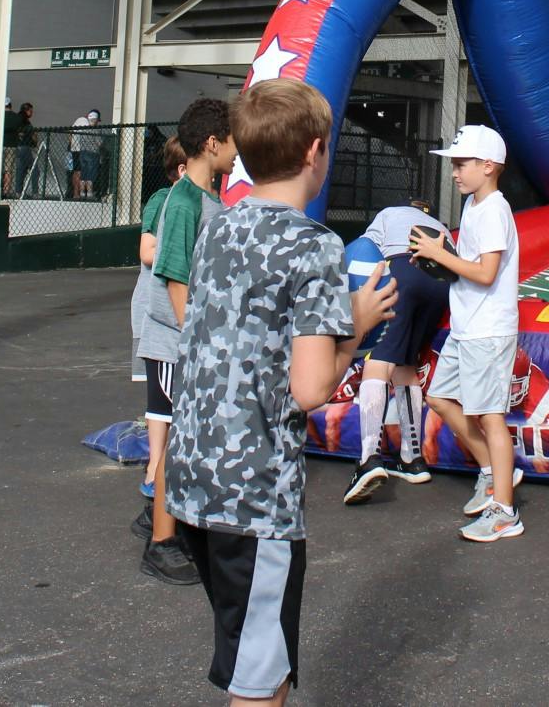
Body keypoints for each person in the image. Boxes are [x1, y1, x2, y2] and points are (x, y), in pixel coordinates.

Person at [167, 79, 396, 706]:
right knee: (259, 680)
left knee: (252, 655)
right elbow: (312, 385)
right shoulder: (313, 244)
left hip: (194, 475)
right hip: (254, 491)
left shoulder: (218, 228)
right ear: (315, 151)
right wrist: (355, 326)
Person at [408, 123, 525, 543]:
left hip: (487, 330)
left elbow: (487, 272)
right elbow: (473, 267)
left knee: (490, 417)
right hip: (468, 325)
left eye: (462, 164)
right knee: (438, 396)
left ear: (489, 166)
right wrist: (441, 257)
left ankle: (505, 511)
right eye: (454, 164)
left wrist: (441, 255)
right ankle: (495, 474)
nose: (455, 172)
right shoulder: (477, 205)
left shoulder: (494, 209)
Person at [139, 96, 236, 584]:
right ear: (212, 143)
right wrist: (197, 342)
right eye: (233, 141)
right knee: (178, 441)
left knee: (189, 439)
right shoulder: (182, 202)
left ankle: (165, 518)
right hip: (182, 344)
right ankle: (161, 542)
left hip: (196, 342)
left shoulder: (210, 200)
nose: (238, 152)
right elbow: (175, 274)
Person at [342, 197, 452, 504]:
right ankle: (412, 458)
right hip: (440, 281)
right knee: (406, 364)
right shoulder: (440, 224)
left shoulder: (387, 212)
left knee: (378, 359)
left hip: (402, 268)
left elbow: (364, 251)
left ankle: (368, 459)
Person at [130, 136, 186, 538]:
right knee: (163, 405)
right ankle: (155, 476)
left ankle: (160, 487)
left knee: (169, 404)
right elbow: (148, 252)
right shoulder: (166, 200)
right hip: (162, 322)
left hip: (175, 323)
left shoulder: (199, 203)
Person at [70, 107, 102, 199]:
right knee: (89, 173)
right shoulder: (92, 127)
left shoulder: (80, 121)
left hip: (78, 150)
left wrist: (72, 145)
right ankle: (88, 192)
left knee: (79, 172)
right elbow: (99, 142)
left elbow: (71, 132)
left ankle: (78, 193)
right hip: (85, 151)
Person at [13, 101, 37, 198]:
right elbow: (30, 134)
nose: (32, 113)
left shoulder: (18, 119)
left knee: (21, 170)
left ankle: (19, 192)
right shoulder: (24, 121)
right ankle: (35, 192)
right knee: (35, 169)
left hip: (18, 147)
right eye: (30, 111)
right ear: (26, 110)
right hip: (25, 147)